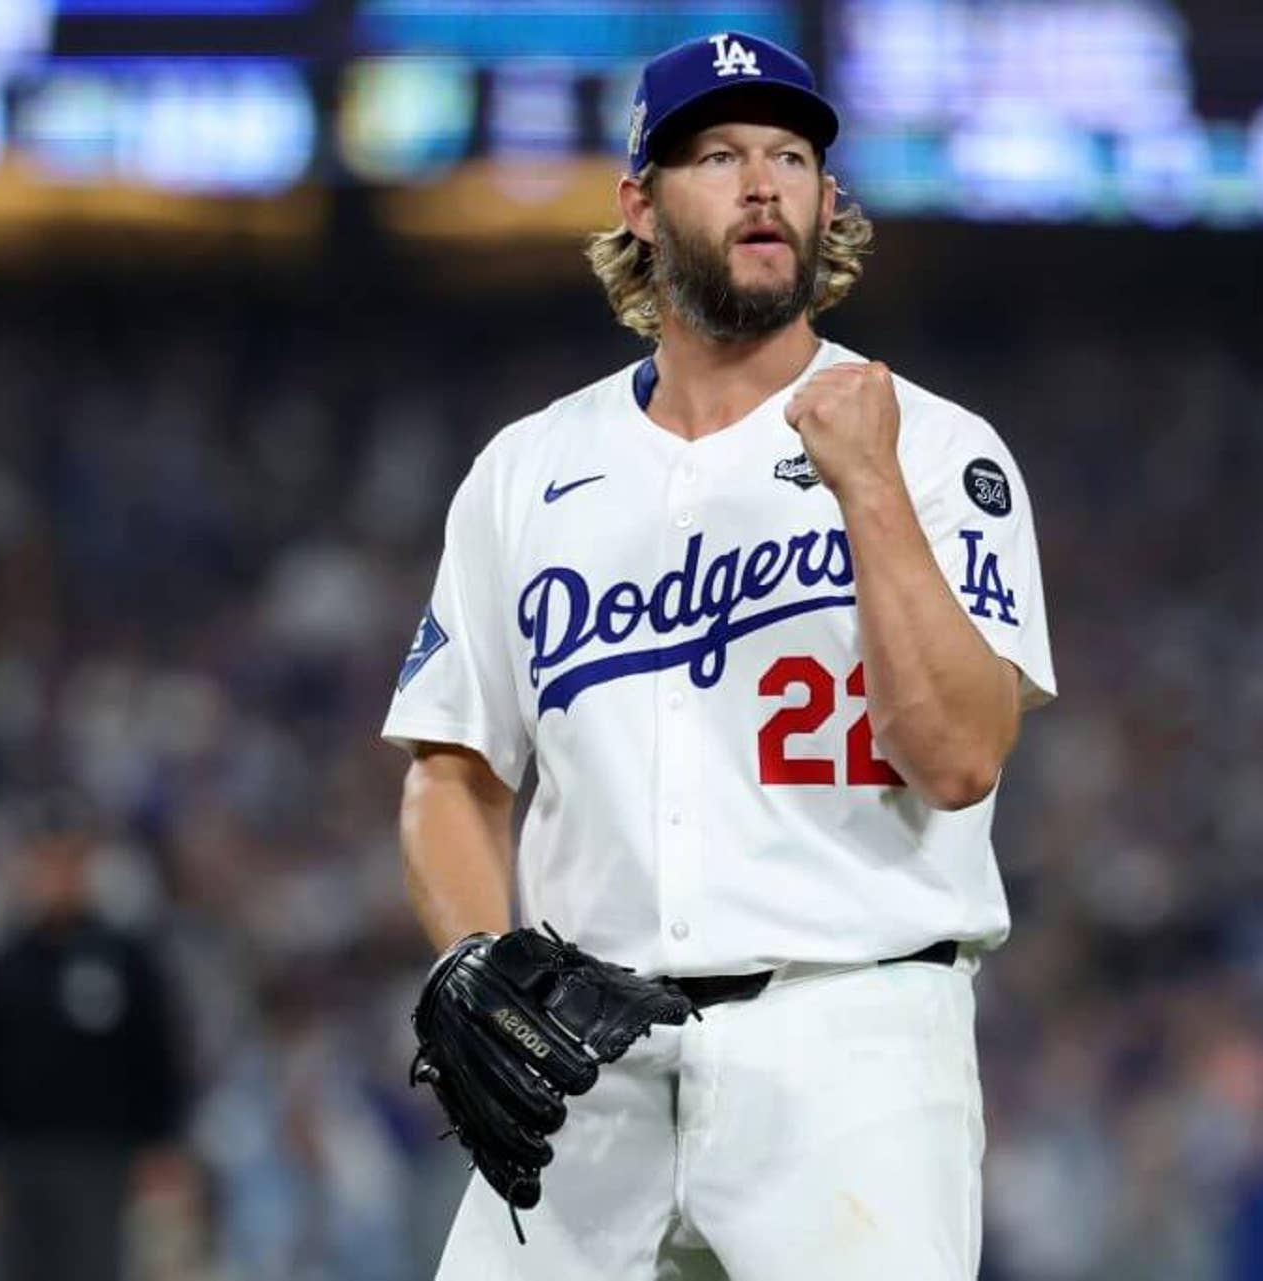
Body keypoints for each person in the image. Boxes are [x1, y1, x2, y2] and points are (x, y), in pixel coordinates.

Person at [381, 29, 1055, 1280]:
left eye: (791, 156)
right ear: (639, 202)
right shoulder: (529, 470)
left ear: (826, 200)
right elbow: (451, 771)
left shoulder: (936, 448)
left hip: (850, 1044)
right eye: (720, 155)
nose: (762, 184)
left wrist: (871, 492)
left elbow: (961, 756)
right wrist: (476, 960)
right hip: (591, 1051)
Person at [0, 794, 192, 1281]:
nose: (59, 875)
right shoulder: (7, 962)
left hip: (98, 1158)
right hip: (17, 1158)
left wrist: (162, 1141)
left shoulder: (124, 959)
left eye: (70, 861)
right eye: (48, 861)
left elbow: (154, 1054)